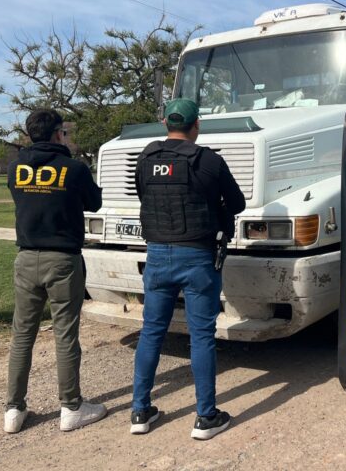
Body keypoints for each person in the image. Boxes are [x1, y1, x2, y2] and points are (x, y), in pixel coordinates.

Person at [131, 98, 246, 439]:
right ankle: (206, 417)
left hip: (157, 255)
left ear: (165, 123)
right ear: (197, 125)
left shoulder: (146, 158)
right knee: (201, 336)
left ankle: (140, 411)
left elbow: (143, 196)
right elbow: (237, 203)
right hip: (197, 256)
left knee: (151, 332)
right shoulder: (208, 160)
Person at [4, 109, 106, 433]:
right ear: (58, 133)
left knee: (22, 335)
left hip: (26, 258)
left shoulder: (16, 168)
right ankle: (71, 406)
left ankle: (13, 409)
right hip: (62, 259)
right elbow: (95, 202)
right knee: (65, 334)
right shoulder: (73, 169)